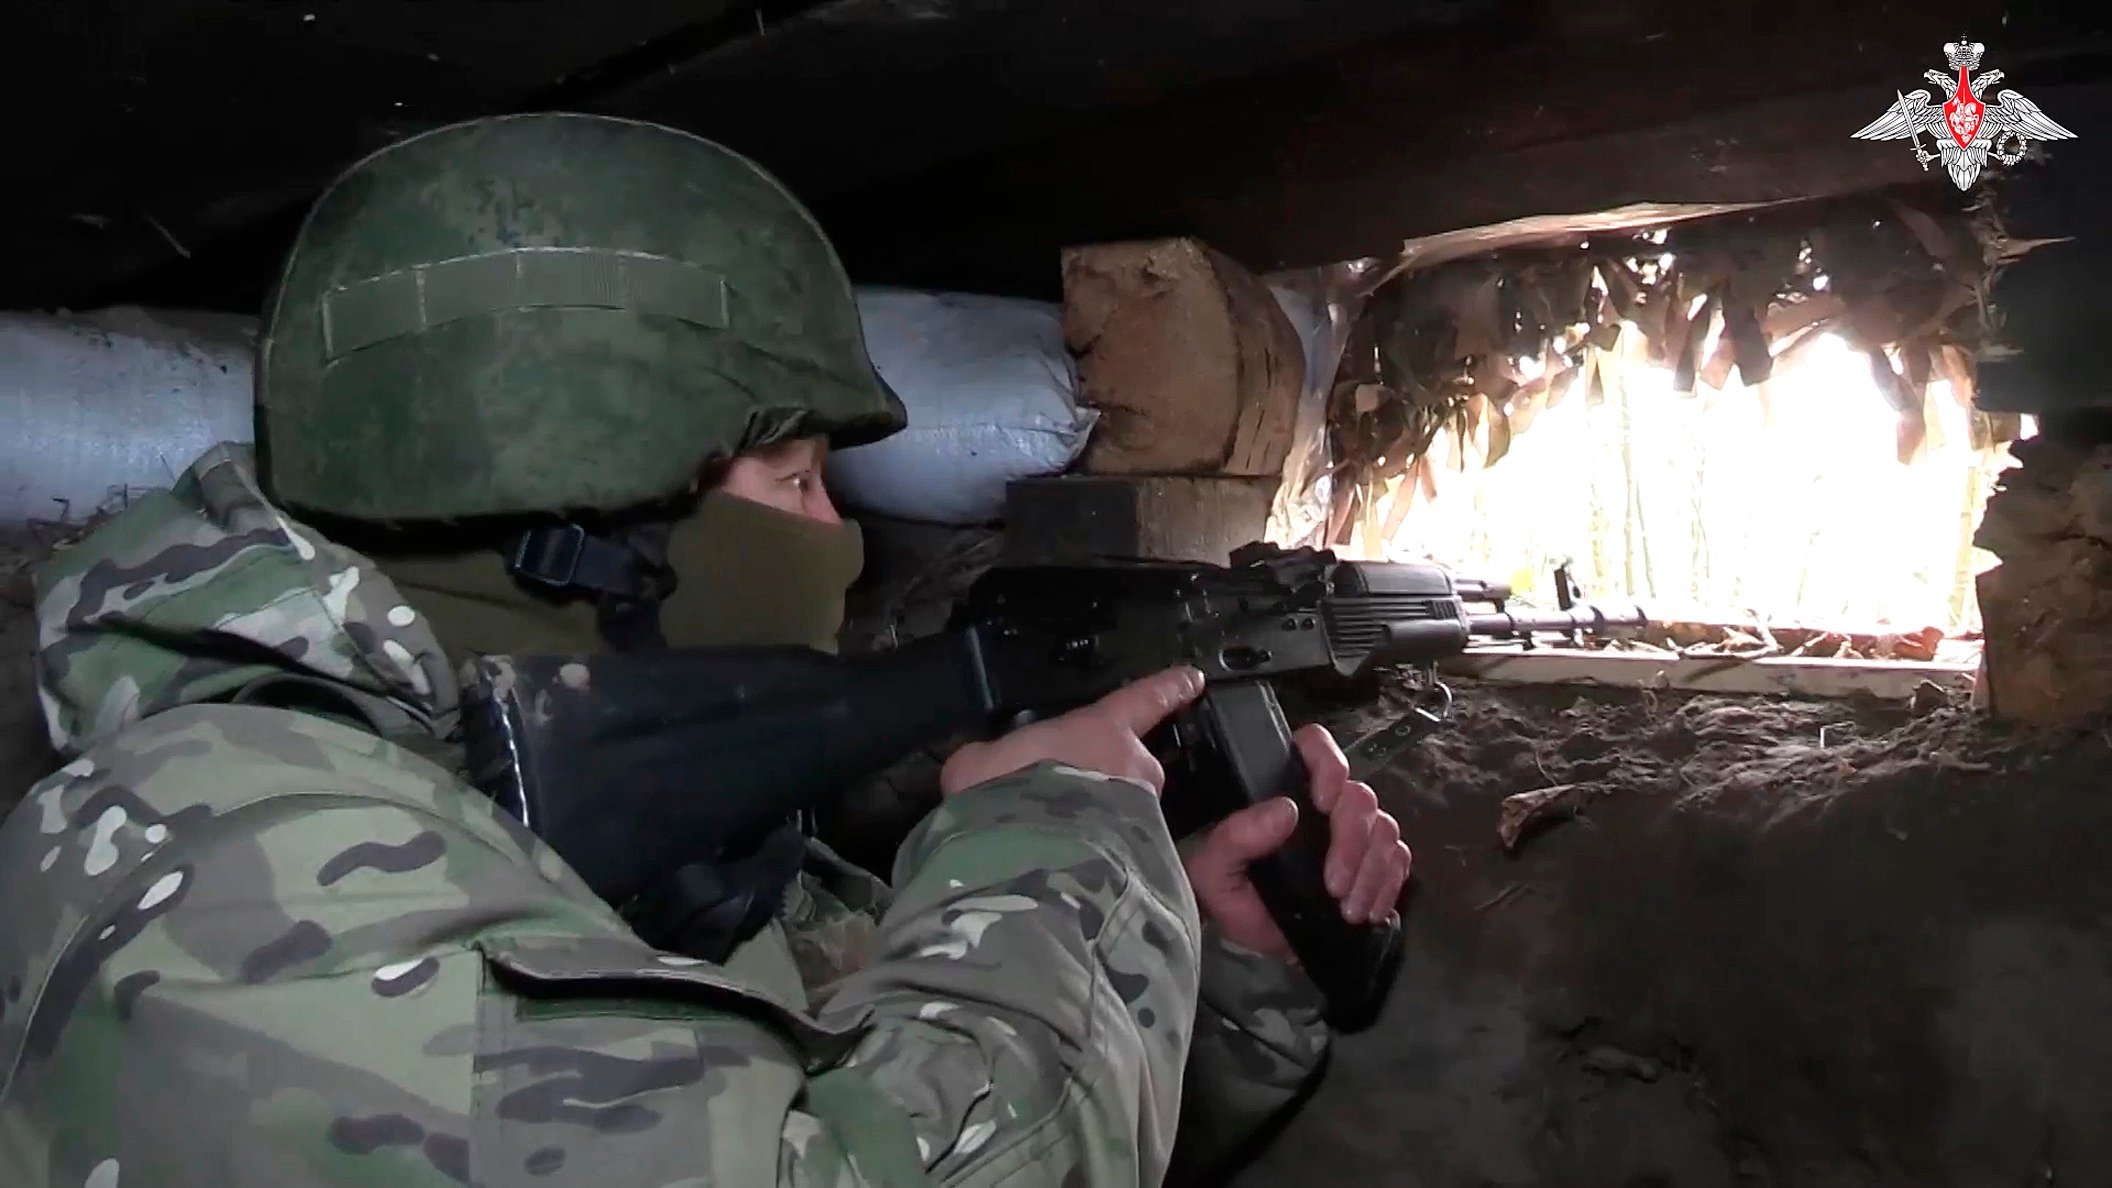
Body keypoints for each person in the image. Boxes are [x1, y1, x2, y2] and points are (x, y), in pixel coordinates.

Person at [0, 113, 1409, 1187]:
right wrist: (1066, 844)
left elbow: (925, 1087)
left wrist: (1215, 962)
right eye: (796, 482)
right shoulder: (228, 905)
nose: (841, 542)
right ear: (579, 529)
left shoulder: (638, 844)